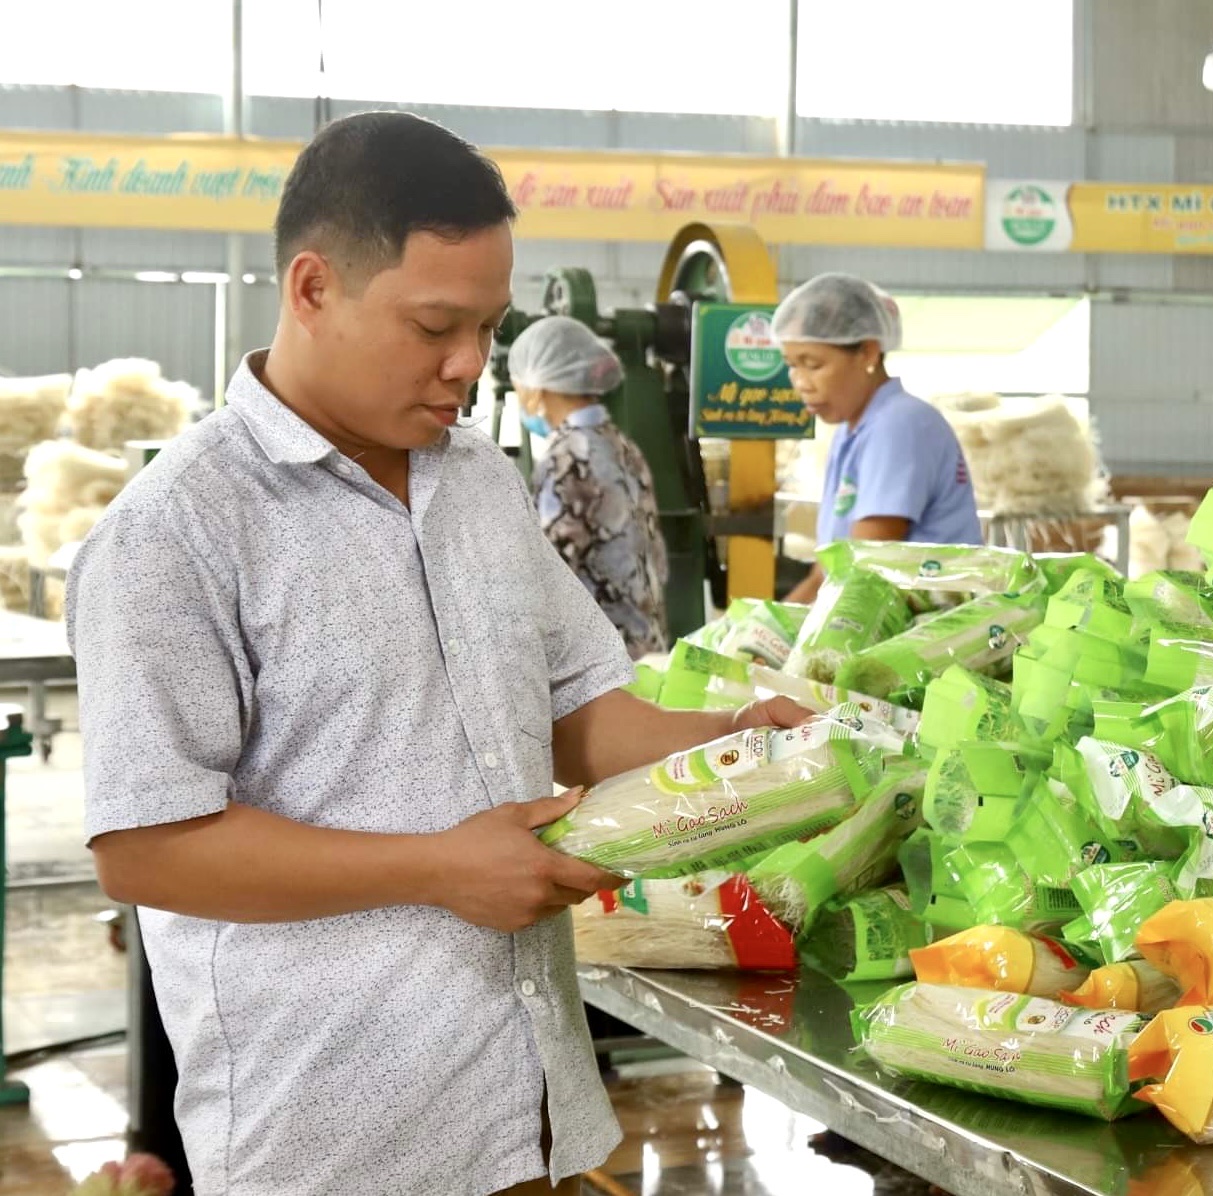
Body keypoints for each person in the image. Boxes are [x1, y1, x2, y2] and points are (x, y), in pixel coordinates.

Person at [65, 112, 808, 1196]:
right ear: (312, 288)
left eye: (489, 328)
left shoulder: (478, 483)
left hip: (526, 1107)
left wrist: (744, 743)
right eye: (433, 326)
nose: (468, 363)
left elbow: (580, 709)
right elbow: (144, 846)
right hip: (336, 1134)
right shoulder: (178, 528)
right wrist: (440, 866)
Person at [772, 273, 982, 603]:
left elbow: (865, 564)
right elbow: (826, 573)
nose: (800, 382)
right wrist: (761, 626)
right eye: (791, 365)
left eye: (812, 364)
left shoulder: (899, 424)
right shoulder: (850, 431)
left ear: (868, 353)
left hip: (924, 631)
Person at [508, 316, 670, 659]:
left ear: (539, 386)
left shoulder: (567, 457)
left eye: (517, 385)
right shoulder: (623, 446)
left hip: (599, 663)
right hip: (646, 646)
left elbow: (547, 570)